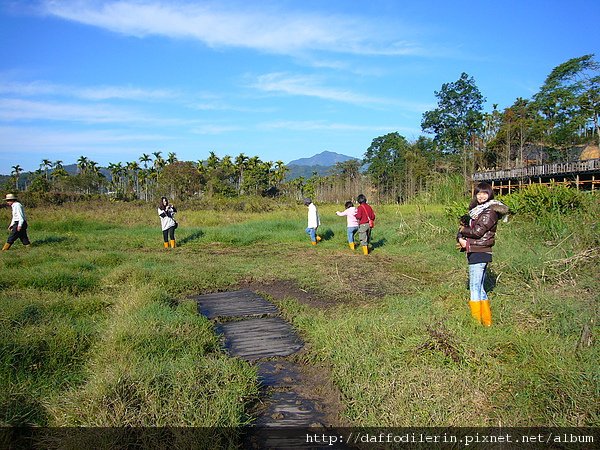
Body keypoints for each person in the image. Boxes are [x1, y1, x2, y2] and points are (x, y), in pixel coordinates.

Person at [457, 182, 508, 326]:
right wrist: (461, 236)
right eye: (478, 193)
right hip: (477, 250)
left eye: (484, 193)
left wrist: (462, 232)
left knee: (474, 288)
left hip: (479, 251)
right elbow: (467, 226)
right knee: (480, 288)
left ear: (490, 194)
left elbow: (477, 232)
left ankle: (476, 322)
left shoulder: (489, 212)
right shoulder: (478, 211)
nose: (481, 196)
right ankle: (486, 322)